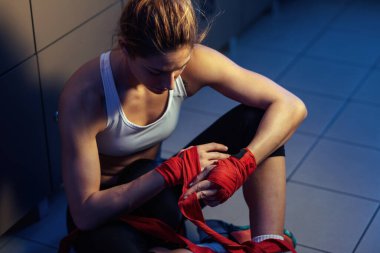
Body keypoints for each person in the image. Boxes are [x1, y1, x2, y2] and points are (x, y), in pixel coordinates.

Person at [58, 0, 307, 252]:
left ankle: (268, 245)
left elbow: (291, 106)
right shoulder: (86, 96)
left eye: (178, 69)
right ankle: (207, 238)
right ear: (126, 48)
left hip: (156, 189)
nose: (169, 83)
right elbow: (84, 214)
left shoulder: (193, 62)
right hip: (106, 212)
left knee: (255, 119)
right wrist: (169, 172)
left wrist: (242, 164)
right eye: (156, 71)